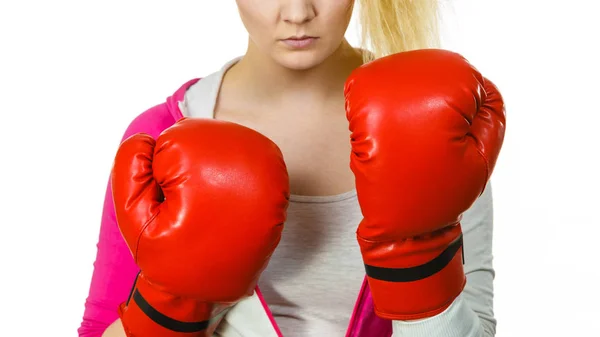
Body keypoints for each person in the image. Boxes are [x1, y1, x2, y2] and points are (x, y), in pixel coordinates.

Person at [78, 1, 505, 336]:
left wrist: (421, 258)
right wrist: (169, 306)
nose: (298, 13)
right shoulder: (161, 135)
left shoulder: (432, 118)